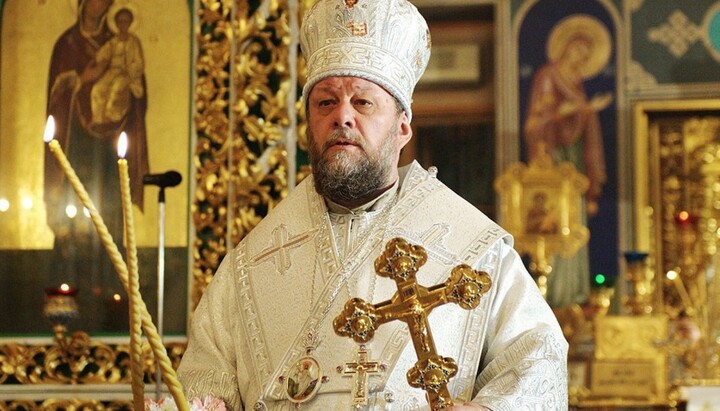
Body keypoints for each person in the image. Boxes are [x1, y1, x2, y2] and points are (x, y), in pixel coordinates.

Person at [178, 0, 568, 409]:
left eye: (362, 102)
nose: (342, 115)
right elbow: (204, 386)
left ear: (402, 127)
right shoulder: (247, 268)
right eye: (325, 102)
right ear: (309, 122)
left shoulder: (477, 252)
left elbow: (538, 361)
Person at [44, 0, 148, 331]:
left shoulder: (121, 42)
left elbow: (139, 95)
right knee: (72, 216)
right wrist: (80, 80)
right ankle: (68, 291)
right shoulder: (67, 44)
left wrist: (126, 90)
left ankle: (111, 295)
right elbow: (55, 98)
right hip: (75, 144)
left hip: (109, 146)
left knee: (111, 217)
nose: (99, 5)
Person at [522, 17, 613, 308]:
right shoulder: (548, 76)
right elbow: (537, 122)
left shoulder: (575, 81)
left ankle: (572, 294)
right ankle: (555, 296)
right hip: (553, 159)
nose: (580, 59)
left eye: (586, 57)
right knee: (553, 225)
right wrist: (570, 110)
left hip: (573, 162)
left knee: (573, 225)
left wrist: (585, 110)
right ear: (567, 47)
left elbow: (579, 121)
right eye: (577, 51)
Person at [90, 4, 145, 126]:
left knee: (117, 88)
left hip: (127, 75)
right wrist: (96, 59)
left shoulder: (134, 42)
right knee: (98, 89)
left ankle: (111, 117)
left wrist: (129, 70)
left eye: (125, 21)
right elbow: (102, 54)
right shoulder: (113, 42)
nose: (123, 24)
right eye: (120, 21)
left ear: (130, 23)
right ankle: (98, 119)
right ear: (116, 23)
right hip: (113, 72)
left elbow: (139, 62)